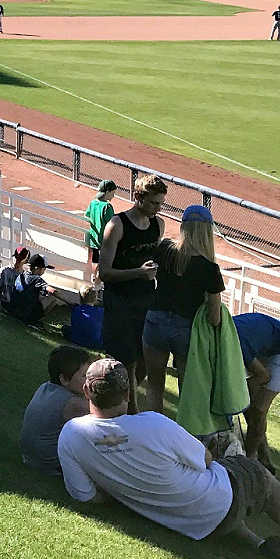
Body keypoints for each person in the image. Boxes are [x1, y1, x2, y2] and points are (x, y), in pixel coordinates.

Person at [58, 358, 280, 559]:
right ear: (128, 393)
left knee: (196, 489)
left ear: (86, 390)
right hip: (215, 503)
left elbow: (85, 496)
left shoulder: (71, 436)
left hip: (181, 522)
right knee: (258, 475)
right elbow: (206, 460)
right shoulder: (153, 424)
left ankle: (257, 543)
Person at [141, 205, 224, 413]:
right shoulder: (209, 267)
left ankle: (155, 437)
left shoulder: (166, 249)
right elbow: (215, 317)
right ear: (207, 231)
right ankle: (183, 440)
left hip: (155, 320)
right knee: (187, 392)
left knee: (154, 386)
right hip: (186, 329)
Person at [98, 174, 167, 408]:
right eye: (153, 203)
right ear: (138, 197)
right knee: (126, 359)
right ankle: (131, 411)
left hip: (146, 301)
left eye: (160, 203)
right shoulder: (116, 225)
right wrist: (138, 272)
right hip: (119, 302)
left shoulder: (158, 225)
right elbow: (104, 273)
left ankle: (120, 399)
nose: (157, 208)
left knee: (147, 358)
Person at [234, 313, 280, 468]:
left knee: (258, 409)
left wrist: (242, 388)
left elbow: (264, 376)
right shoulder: (225, 339)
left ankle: (250, 461)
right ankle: (264, 459)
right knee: (247, 404)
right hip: (263, 343)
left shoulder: (239, 344)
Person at [20, 345, 94, 474]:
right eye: (84, 376)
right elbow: (108, 415)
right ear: (64, 379)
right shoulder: (73, 404)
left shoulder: (45, 387)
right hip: (48, 462)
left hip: (30, 455)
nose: (89, 381)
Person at [84, 179, 117, 266]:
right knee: (106, 263)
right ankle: (97, 278)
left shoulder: (93, 203)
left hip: (94, 239)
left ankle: (93, 277)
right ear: (107, 192)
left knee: (95, 261)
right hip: (105, 241)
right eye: (113, 193)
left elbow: (87, 215)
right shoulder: (107, 206)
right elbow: (112, 223)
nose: (113, 196)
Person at [0, 246, 30, 310]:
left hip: (17, 308)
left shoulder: (26, 277)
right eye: (16, 257)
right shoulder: (4, 271)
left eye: (20, 259)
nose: (17, 260)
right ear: (13, 257)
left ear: (25, 261)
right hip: (4, 304)